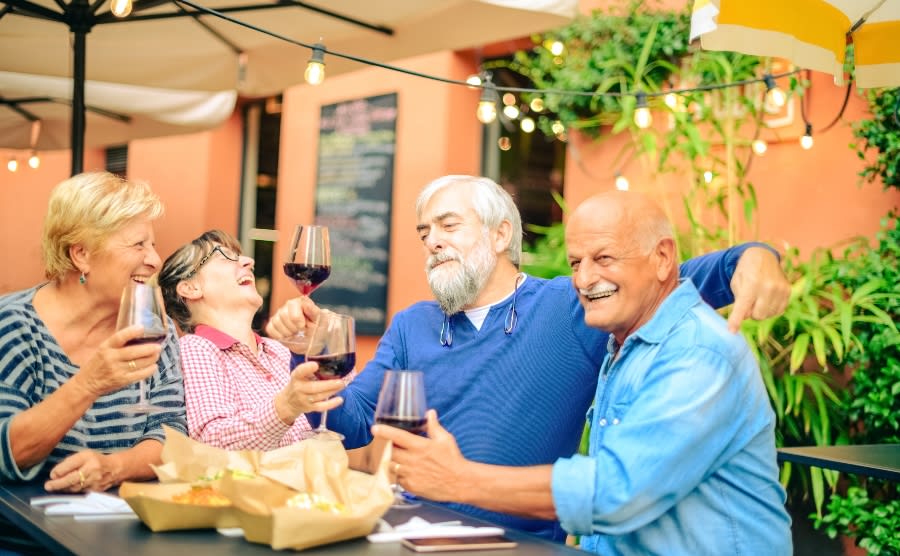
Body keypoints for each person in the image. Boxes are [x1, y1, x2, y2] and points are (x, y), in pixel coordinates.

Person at [266, 174, 790, 540]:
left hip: (522, 542)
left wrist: (753, 257)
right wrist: (306, 357)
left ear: (500, 235)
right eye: (425, 232)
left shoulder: (576, 303)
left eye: (448, 225)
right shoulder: (411, 325)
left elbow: (662, 279)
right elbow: (353, 423)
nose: (432, 242)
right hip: (423, 531)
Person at [0, 172, 186, 553]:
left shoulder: (153, 326)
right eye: (138, 244)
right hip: (29, 542)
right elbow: (7, 453)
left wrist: (113, 468)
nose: (155, 260)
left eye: (153, 245)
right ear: (81, 254)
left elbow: (171, 435)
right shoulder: (14, 326)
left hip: (128, 538)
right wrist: (89, 384)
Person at [158, 230, 346, 450]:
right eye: (225, 257)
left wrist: (329, 343)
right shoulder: (197, 348)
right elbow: (211, 442)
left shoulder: (279, 350)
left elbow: (345, 412)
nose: (249, 261)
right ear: (190, 288)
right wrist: (285, 406)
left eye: (241, 256)